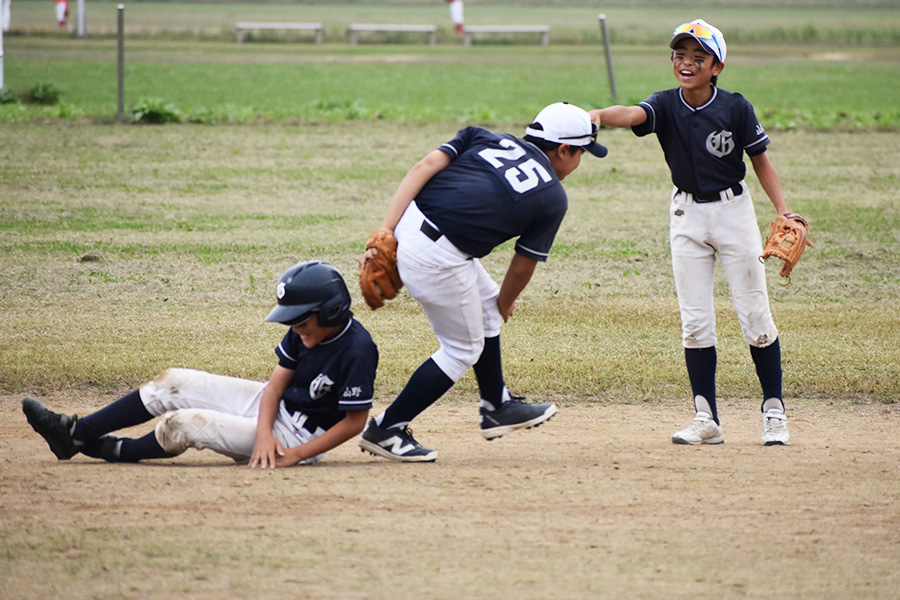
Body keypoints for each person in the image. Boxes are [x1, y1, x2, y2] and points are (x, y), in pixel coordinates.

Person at [358, 102, 607, 462]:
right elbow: (522, 267)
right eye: (581, 152)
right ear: (565, 149)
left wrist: (385, 229)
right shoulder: (552, 196)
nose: (579, 162)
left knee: (487, 310)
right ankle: (387, 428)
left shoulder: (484, 137)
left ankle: (496, 405)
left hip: (411, 227)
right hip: (440, 256)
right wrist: (506, 302)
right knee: (462, 349)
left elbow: (423, 167)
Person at [589, 19, 793, 446]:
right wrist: (596, 116)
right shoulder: (665, 104)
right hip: (686, 214)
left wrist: (783, 211)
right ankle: (706, 418)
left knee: (754, 313)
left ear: (716, 66)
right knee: (695, 321)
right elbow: (632, 114)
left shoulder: (736, 108)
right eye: (680, 55)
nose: (687, 62)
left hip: (733, 211)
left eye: (698, 57)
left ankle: (773, 411)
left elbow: (760, 161)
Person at [22, 261, 378, 467]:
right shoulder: (303, 332)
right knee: (173, 382)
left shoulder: (357, 349)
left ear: (332, 312)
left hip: (299, 438)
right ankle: (74, 434)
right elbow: (275, 387)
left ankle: (117, 450)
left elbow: (353, 424)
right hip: (277, 415)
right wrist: (264, 431)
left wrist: (293, 454)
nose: (294, 328)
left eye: (300, 321)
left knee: (185, 424)